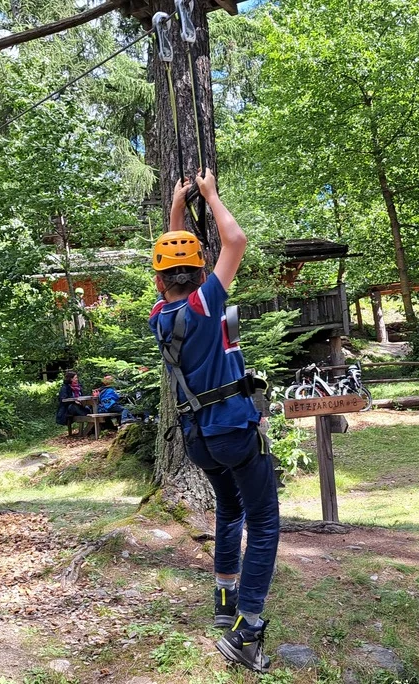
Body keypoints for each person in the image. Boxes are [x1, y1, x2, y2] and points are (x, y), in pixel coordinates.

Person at [149, 170, 278, 673]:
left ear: (161, 281)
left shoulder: (163, 315)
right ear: (201, 272)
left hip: (197, 439)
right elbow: (236, 240)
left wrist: (178, 210)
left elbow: (173, 258)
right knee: (264, 521)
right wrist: (210, 195)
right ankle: (247, 631)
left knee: (230, 511)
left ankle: (226, 602)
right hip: (234, 432)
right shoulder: (208, 302)